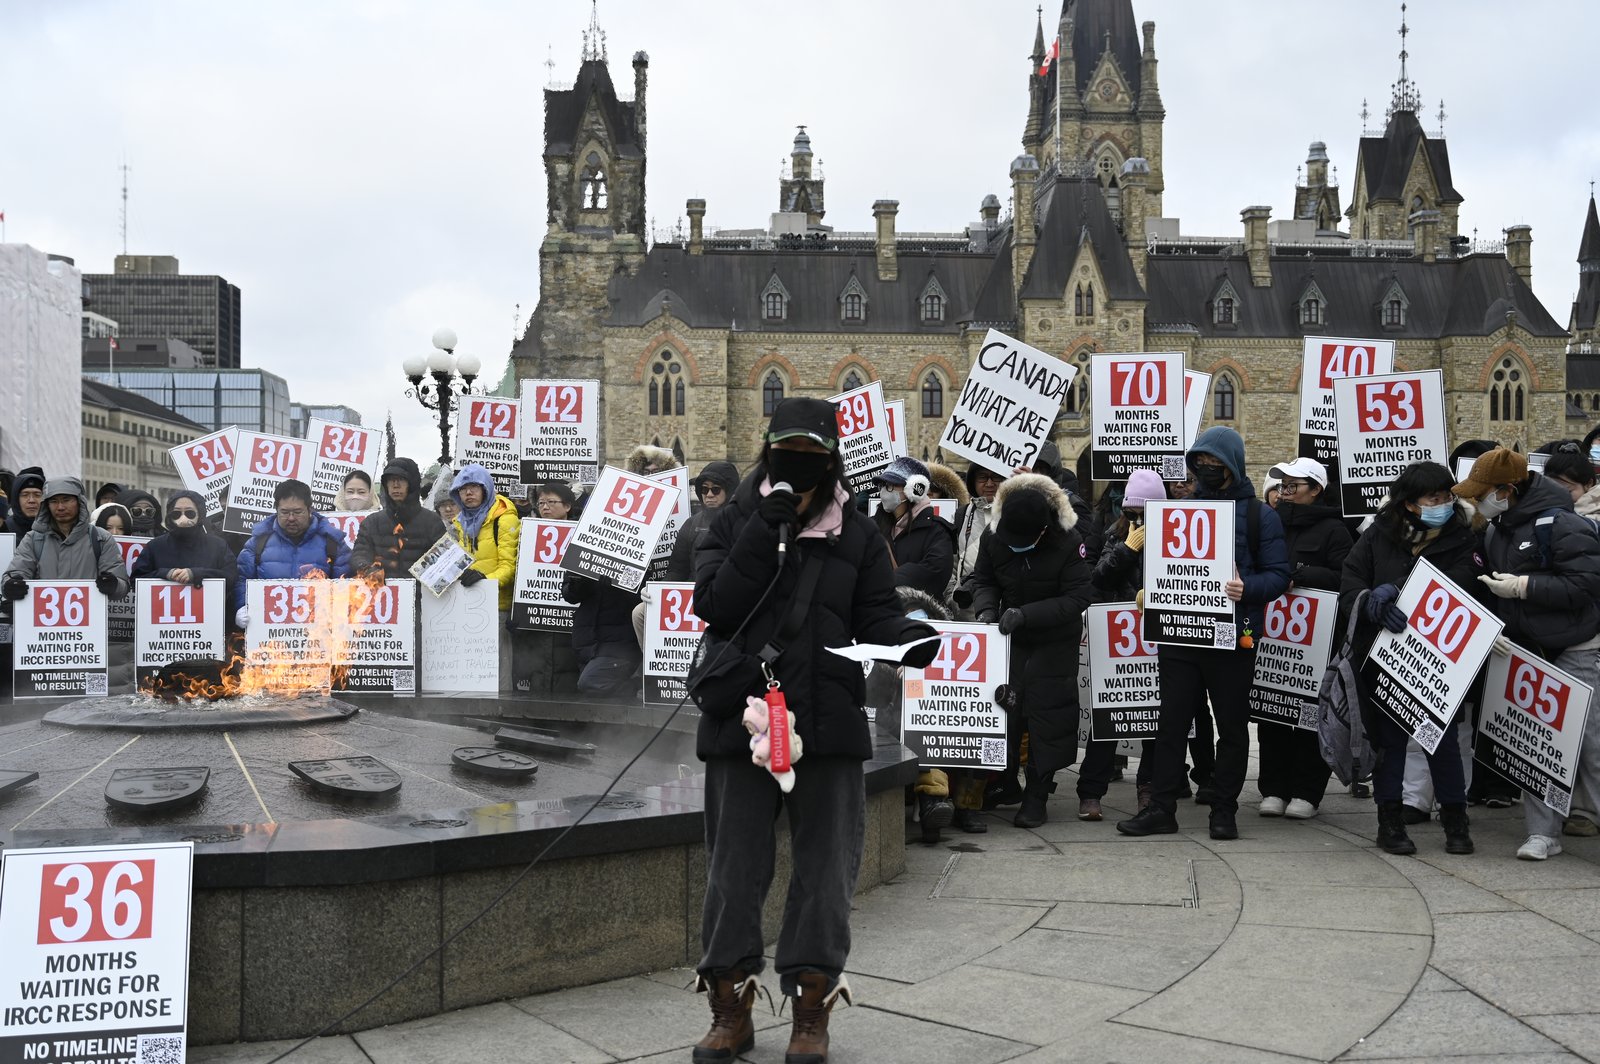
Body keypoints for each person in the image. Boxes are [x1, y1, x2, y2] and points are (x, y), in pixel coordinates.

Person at [690, 397, 937, 1064]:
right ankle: (730, 1008)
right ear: (768, 450)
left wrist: (908, 637)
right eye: (787, 451)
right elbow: (714, 605)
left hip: (827, 722)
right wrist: (760, 533)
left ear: (831, 462)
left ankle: (810, 1010)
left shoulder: (858, 534)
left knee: (826, 875)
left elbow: (875, 612)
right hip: (743, 718)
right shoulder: (732, 519)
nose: (797, 465)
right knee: (733, 872)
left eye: (811, 455)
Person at [1117, 427, 1290, 841]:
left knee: (1231, 727)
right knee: (1170, 724)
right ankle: (1161, 808)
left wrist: (1247, 588)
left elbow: (1278, 575)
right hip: (1180, 636)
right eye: (1201, 463)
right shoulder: (1177, 511)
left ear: (1233, 466)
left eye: (1216, 464)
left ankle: (1223, 810)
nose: (1208, 470)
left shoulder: (1259, 516)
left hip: (1233, 638)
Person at [1454, 448, 1600, 860]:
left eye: (1484, 492)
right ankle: (1542, 833)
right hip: (1526, 648)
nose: (1477, 500)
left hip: (1575, 646)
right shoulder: (1496, 528)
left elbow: (1586, 585)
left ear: (1507, 489)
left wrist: (1524, 587)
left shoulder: (1565, 524)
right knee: (1537, 743)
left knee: (1589, 743)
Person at [1335, 461, 1480, 856]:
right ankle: (1390, 822)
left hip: (1438, 662)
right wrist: (1369, 603)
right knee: (1390, 744)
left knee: (1442, 743)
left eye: (1447, 495)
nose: (1443, 503)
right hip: (1385, 657)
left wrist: (1398, 590)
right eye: (1433, 497)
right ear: (1409, 503)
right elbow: (1350, 583)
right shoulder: (1377, 534)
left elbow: (1463, 582)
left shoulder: (1461, 536)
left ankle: (1455, 819)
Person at [966, 472, 1093, 828]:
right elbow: (984, 579)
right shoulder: (994, 536)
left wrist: (1027, 614)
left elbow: (1078, 597)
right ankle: (1004, 782)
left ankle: (1037, 793)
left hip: (1055, 639)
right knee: (1005, 709)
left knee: (1046, 714)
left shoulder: (1068, 541)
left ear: (1043, 530)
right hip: (1009, 638)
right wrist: (986, 609)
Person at [1256, 456, 1352, 819]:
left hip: (1316, 641)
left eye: (1293, 486)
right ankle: (1273, 788)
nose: (1285, 492)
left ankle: (1307, 792)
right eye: (1282, 485)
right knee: (1272, 711)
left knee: (1311, 716)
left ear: (1316, 490)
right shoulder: (1270, 524)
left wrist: (1301, 576)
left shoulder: (1335, 531)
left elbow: (1344, 578)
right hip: (1274, 639)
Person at [1081, 469, 1176, 818]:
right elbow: (1098, 578)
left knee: (1155, 717)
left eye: (1144, 512)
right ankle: (1091, 790)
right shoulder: (1116, 534)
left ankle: (1147, 787)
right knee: (1109, 716)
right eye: (1130, 512)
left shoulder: (1174, 536)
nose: (1137, 519)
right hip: (1121, 637)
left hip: (1159, 636)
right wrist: (1128, 549)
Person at [234, 480, 353, 624]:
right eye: (284, 512)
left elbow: (346, 585)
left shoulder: (332, 543)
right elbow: (242, 580)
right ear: (276, 510)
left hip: (318, 629)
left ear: (309, 510)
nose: (291, 518)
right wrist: (241, 606)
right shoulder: (258, 542)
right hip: (268, 630)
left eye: (297, 512)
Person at [450, 463, 521, 690]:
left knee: (498, 672)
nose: (468, 493)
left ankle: (502, 711)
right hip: (468, 606)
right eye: (463, 489)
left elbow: (510, 567)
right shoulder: (460, 522)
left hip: (497, 606)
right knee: (473, 670)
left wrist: (484, 580)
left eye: (474, 487)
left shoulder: (504, 519)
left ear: (486, 489)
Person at [3, 477, 130, 600]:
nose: (60, 507)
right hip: (42, 614)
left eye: (66, 500)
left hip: (90, 614)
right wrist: (11, 586)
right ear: (46, 505)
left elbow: (122, 585)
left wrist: (114, 585)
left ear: (80, 501)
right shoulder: (33, 539)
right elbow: (14, 574)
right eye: (54, 501)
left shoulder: (101, 539)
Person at [131, 490, 240, 614]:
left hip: (209, 616)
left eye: (190, 513)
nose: (183, 518)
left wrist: (197, 574)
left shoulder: (218, 545)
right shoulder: (155, 546)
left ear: (200, 514)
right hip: (164, 619)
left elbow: (231, 577)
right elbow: (136, 580)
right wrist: (166, 574)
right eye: (176, 514)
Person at [350, 457, 446, 580]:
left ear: (411, 484)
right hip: (381, 589)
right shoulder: (372, 522)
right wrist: (367, 569)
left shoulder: (432, 521)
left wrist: (466, 573)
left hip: (422, 590)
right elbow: (359, 554)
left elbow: (448, 559)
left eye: (401, 479)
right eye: (391, 480)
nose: (395, 485)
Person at [872, 457, 954, 601]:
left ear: (914, 490)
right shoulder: (872, 526)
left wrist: (884, 582)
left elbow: (935, 572)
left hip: (918, 610)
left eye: (890, 486)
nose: (884, 491)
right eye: (882, 486)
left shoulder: (937, 530)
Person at [950, 464, 1004, 617]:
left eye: (996, 477)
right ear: (972, 482)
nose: (989, 483)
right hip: (966, 612)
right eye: (982, 477)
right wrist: (952, 600)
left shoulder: (1016, 513)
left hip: (1005, 612)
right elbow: (951, 564)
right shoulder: (961, 515)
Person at [3, 467, 45, 538]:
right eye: (25, 495)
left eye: (37, 495)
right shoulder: (4, 528)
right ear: (16, 499)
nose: (31, 500)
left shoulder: (55, 529)